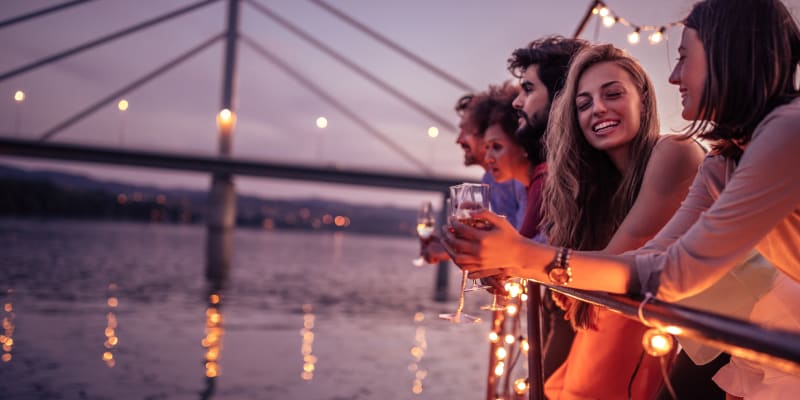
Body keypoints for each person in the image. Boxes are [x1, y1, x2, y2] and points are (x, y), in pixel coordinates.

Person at [444, 0, 800, 398]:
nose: (673, 76)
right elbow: (648, 262)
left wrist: (523, 258)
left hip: (768, 327)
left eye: (684, 58)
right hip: (734, 337)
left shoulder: (780, 132)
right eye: (582, 104)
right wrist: (518, 261)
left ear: (727, 55)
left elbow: (667, 273)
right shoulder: (724, 159)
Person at [504, 36, 589, 380]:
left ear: (559, 99)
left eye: (527, 89)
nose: (517, 101)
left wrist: (507, 256)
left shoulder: (560, 176)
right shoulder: (561, 171)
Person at [419, 93, 527, 264]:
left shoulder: (523, 178)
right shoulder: (490, 180)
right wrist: (449, 247)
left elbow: (521, 246)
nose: (458, 140)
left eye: (466, 130)